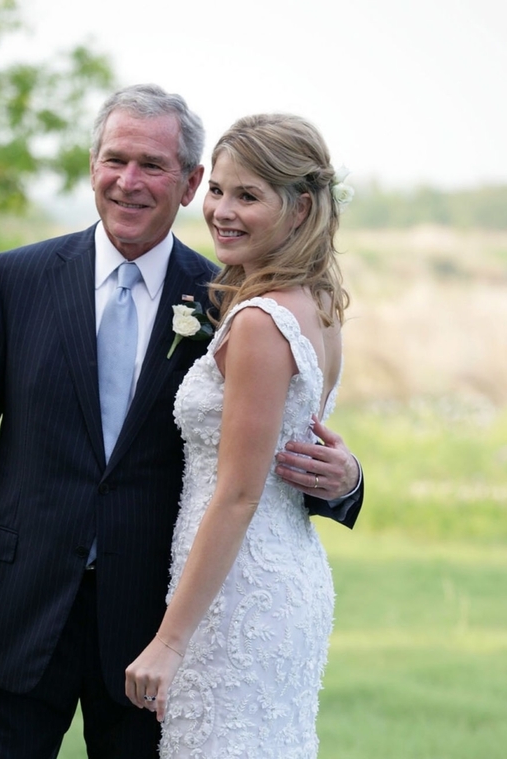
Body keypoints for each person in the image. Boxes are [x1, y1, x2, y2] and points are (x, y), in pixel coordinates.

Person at [0, 85, 362, 759]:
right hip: (15, 604)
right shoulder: (12, 279)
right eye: (115, 159)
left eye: (151, 165)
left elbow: (264, 454)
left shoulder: (231, 298)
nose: (128, 181)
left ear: (188, 183)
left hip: (153, 617)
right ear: (92, 164)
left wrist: (345, 480)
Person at [125, 113, 351, 758]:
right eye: (218, 190)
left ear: (300, 206)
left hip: (236, 589)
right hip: (284, 570)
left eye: (247, 195)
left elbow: (237, 494)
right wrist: (350, 472)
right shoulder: (320, 303)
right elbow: (304, 440)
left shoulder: (259, 320)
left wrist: (169, 641)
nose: (221, 210)